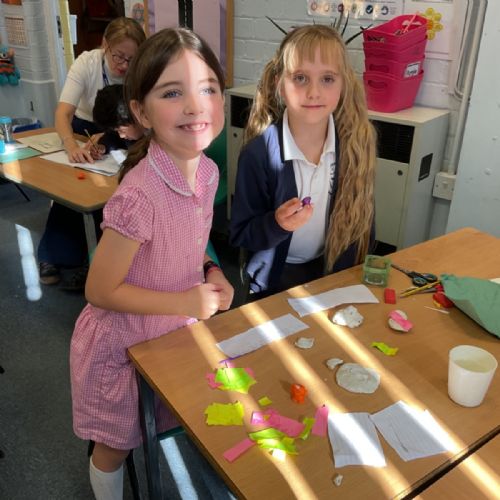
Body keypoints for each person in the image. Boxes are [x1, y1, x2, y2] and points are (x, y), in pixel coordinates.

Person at [70, 28, 234, 500]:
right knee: (116, 445)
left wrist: (213, 272)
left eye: (207, 88)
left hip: (170, 333)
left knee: (170, 419)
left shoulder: (207, 173)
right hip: (124, 343)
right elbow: (100, 290)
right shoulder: (140, 195)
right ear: (141, 112)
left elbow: (191, 242)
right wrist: (185, 300)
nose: (195, 106)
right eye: (172, 92)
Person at [230, 25, 377, 297]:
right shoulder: (259, 154)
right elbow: (242, 233)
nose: (314, 92)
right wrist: (277, 223)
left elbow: (363, 221)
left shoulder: (355, 147)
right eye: (300, 78)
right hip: (274, 281)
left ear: (343, 85)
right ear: (280, 85)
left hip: (330, 275)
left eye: (327, 79)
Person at [38, 18, 146, 288]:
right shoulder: (87, 63)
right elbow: (63, 113)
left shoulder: (143, 70)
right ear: (104, 44)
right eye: (118, 56)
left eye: (131, 59)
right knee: (73, 190)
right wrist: (71, 146)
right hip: (86, 127)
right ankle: (54, 255)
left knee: (112, 192)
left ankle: (95, 261)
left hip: (127, 129)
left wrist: (112, 137)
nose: (124, 65)